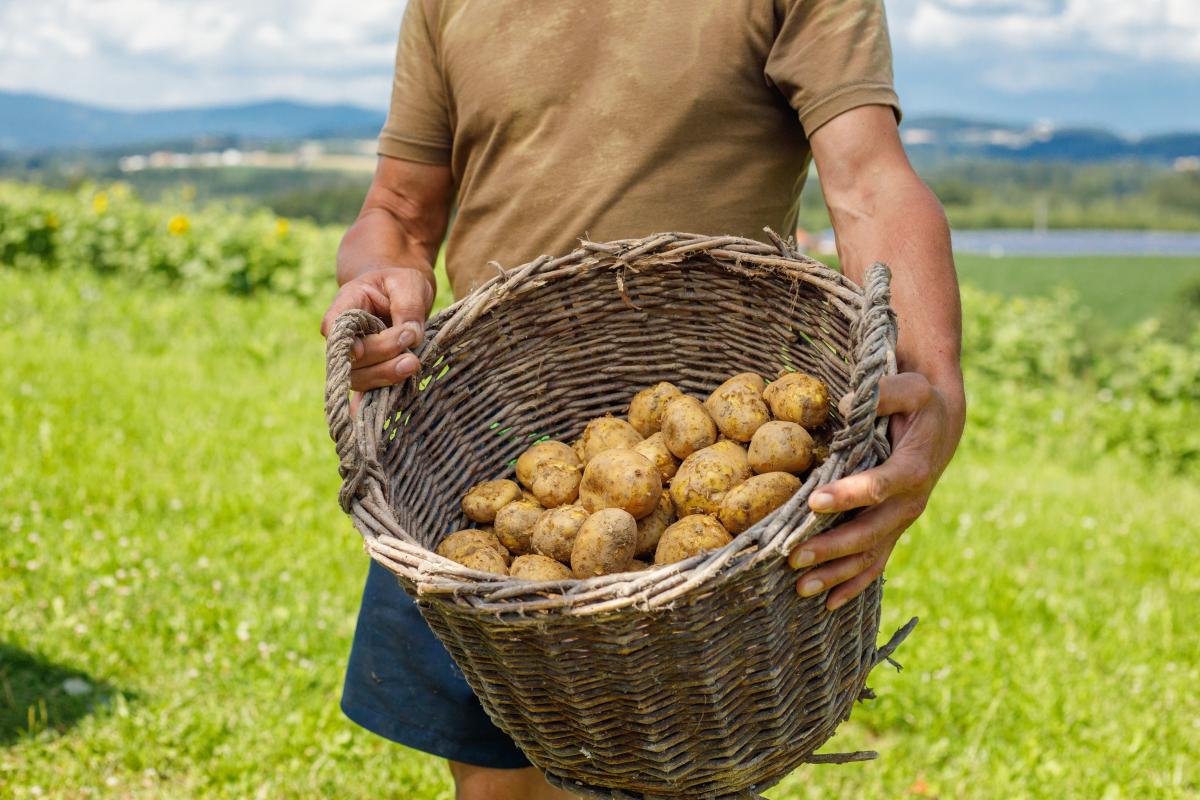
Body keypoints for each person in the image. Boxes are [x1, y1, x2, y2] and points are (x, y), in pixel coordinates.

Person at [320, 1, 966, 797]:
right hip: (481, 445)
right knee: (494, 782)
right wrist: (377, 280)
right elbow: (399, 211)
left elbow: (870, 180)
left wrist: (933, 381)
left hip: (711, 434)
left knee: (674, 775)